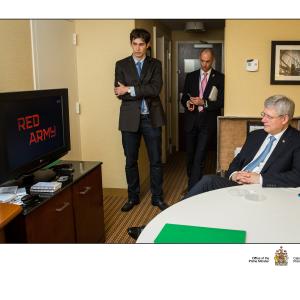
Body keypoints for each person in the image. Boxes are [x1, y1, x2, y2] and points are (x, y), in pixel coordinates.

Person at [184, 95, 300, 199]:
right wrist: (234, 175)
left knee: (209, 185)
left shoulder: (296, 140)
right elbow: (237, 160)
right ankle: (177, 214)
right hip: (239, 185)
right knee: (208, 183)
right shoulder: (256, 136)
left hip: (265, 190)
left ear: (284, 119)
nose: (263, 120)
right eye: (263, 114)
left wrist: (259, 179)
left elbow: (296, 176)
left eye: (269, 117)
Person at [114, 28, 168, 212]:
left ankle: (157, 197)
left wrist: (129, 89)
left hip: (151, 118)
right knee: (130, 160)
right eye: (135, 44)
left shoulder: (156, 64)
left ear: (148, 45)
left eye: (141, 44)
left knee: (155, 160)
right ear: (131, 44)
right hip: (129, 119)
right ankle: (133, 197)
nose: (138, 48)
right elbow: (119, 94)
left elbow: (155, 90)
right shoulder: (121, 65)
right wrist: (133, 90)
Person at [181, 48, 224, 191]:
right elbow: (184, 98)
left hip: (207, 123)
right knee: (190, 156)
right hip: (191, 121)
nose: (204, 64)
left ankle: (193, 189)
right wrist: (188, 103)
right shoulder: (191, 76)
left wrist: (203, 103)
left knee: (200, 157)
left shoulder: (220, 78)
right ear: (199, 59)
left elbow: (221, 102)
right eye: (202, 61)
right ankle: (192, 181)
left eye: (208, 61)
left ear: (213, 60)